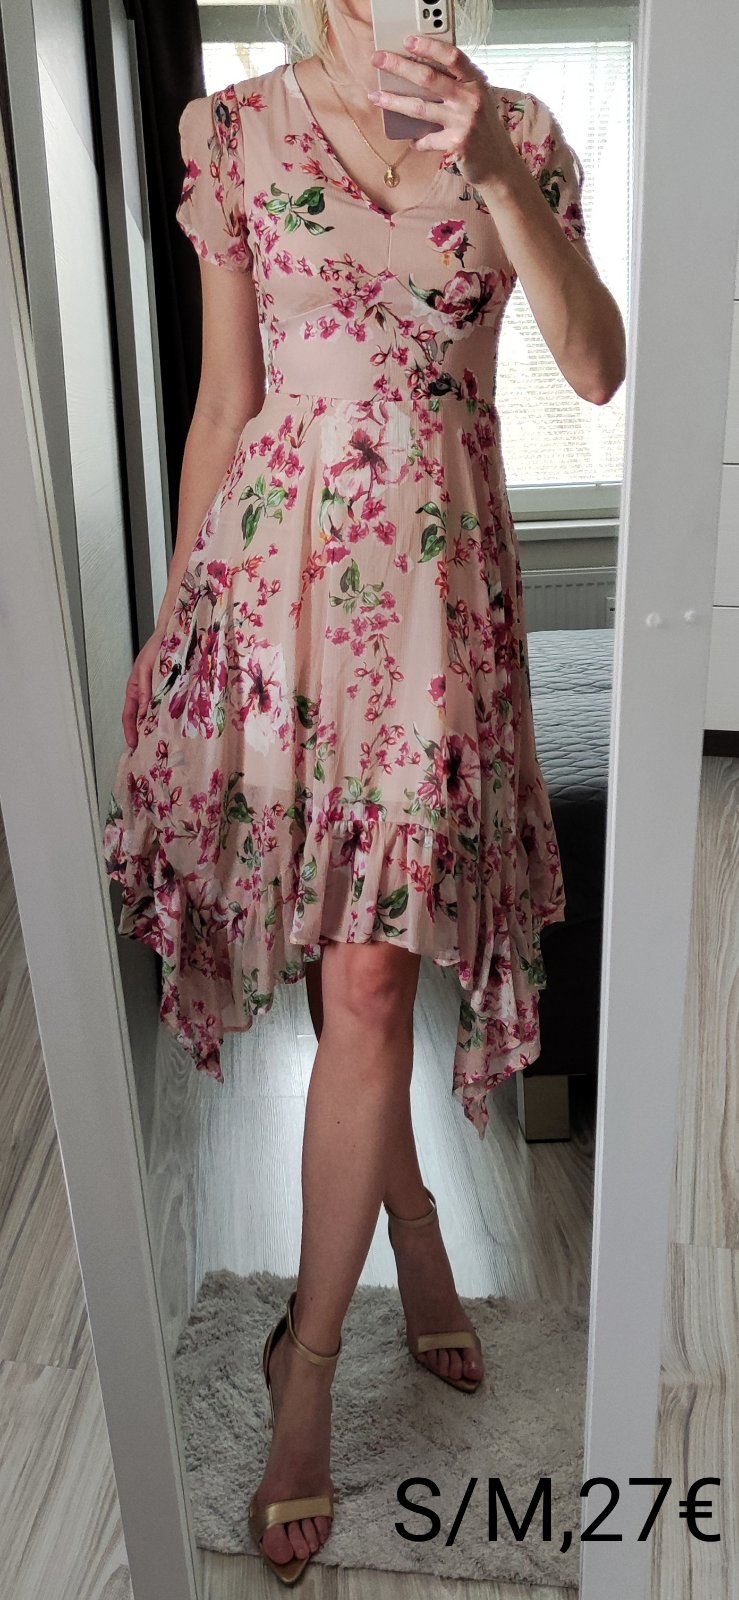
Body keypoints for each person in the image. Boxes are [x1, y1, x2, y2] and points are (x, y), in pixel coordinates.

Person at [102, 0, 625, 1581]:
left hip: (440, 612)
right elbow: (225, 404)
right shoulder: (233, 132)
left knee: (377, 976)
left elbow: (596, 369)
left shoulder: (520, 134)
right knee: (358, 975)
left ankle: (311, 1364)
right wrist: (176, 622)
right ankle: (403, 1259)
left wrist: (498, 172)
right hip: (278, 607)